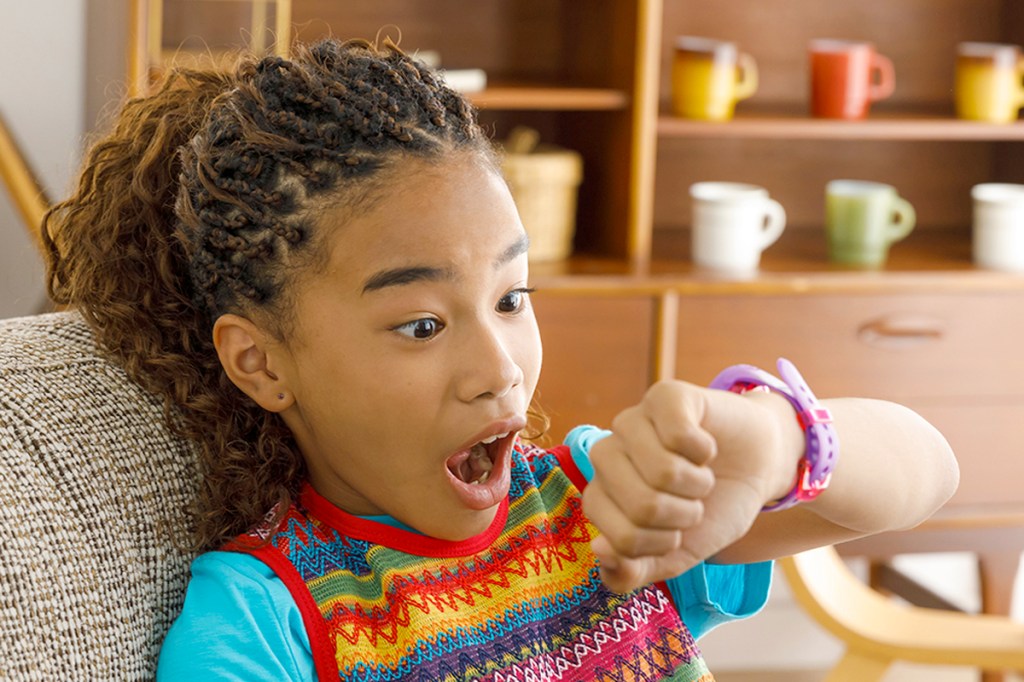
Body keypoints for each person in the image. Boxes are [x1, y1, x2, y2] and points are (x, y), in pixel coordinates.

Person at [42, 37, 959, 681]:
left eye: (512, 299)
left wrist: (777, 443)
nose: (501, 368)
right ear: (261, 362)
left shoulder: (603, 509)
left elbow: (927, 470)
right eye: (421, 326)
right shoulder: (267, 618)